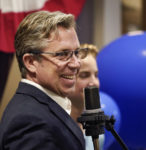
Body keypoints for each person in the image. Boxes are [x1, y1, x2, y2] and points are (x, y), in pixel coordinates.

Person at [0, 11, 89, 150]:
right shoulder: (29, 121)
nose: (76, 64)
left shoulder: (42, 109)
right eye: (62, 54)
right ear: (30, 62)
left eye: (77, 53)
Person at [68, 44, 105, 150]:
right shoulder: (57, 127)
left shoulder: (98, 134)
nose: (94, 82)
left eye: (96, 75)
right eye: (84, 75)